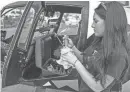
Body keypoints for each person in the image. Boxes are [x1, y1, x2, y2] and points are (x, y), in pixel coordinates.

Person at [61, 1, 129, 92]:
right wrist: (73, 47)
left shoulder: (119, 55)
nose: (92, 25)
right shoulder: (99, 40)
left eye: (96, 21)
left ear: (110, 24)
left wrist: (75, 62)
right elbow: (86, 59)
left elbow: (98, 87)